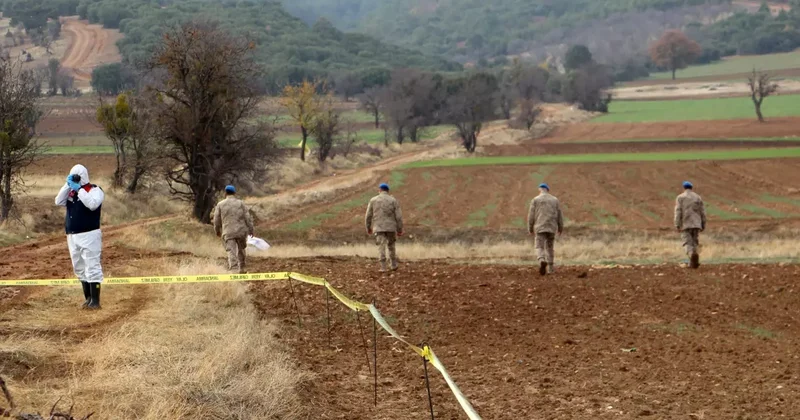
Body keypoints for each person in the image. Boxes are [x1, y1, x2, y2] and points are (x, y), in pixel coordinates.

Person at [55, 164, 105, 309]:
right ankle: (88, 299)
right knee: (79, 267)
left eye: (77, 176)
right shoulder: (71, 193)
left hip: (89, 234)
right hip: (72, 236)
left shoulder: (95, 190)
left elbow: (92, 204)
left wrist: (80, 189)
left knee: (92, 266)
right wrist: (67, 185)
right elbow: (58, 201)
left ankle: (95, 301)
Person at [213, 185, 254, 274]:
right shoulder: (241, 203)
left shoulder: (220, 204)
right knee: (241, 249)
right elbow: (247, 217)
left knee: (231, 251)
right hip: (241, 231)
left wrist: (217, 231)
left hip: (228, 231)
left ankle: (234, 270)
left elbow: (216, 220)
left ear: (225, 193)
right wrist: (251, 229)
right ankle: (242, 268)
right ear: (234, 193)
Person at [365, 183, 403, 272]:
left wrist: (368, 227)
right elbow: (399, 216)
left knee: (381, 246)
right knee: (391, 245)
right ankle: (393, 265)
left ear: (380, 190)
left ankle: (383, 267)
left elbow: (368, 215)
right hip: (391, 227)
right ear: (388, 191)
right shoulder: (393, 200)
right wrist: (400, 229)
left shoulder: (373, 200)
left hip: (378, 227)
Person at [527, 183, 564, 276]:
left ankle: (542, 260)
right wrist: (560, 227)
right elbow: (559, 214)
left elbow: (531, 216)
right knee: (550, 247)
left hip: (540, 226)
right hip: (552, 227)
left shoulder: (535, 200)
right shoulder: (555, 200)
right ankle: (551, 269)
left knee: (539, 246)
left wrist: (530, 228)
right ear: (548, 190)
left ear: (540, 189)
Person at [674, 181, 706, 269]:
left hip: (685, 223)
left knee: (687, 243)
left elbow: (678, 211)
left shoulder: (680, 197)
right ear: (691, 188)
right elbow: (702, 212)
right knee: (695, 242)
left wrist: (677, 224)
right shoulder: (697, 197)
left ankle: (692, 256)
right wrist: (703, 224)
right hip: (696, 224)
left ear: (684, 188)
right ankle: (694, 261)